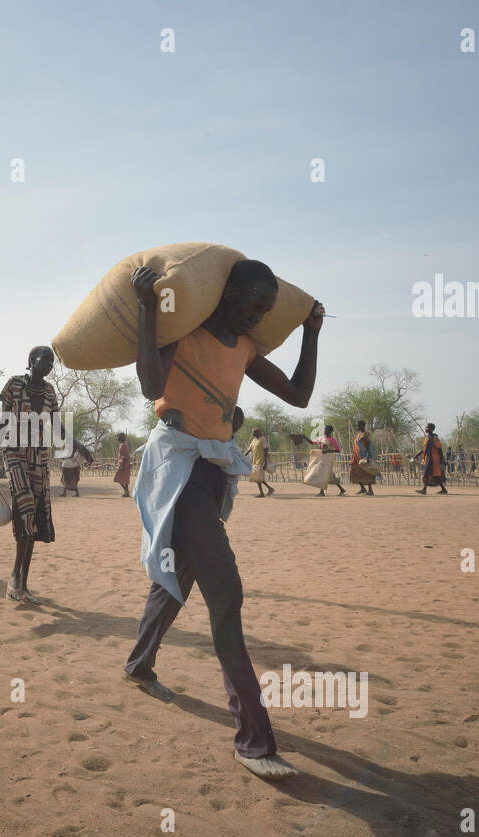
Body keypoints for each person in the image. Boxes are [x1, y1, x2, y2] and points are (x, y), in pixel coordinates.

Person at [126, 258, 324, 781]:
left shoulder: (246, 348)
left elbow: (299, 396)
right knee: (225, 589)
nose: (255, 318)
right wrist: (148, 310)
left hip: (213, 473)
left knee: (180, 574)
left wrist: (311, 332)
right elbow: (150, 385)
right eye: (250, 306)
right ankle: (254, 739)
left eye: (264, 311)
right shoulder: (182, 333)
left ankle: (138, 662)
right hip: (178, 469)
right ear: (226, 294)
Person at [0, 346, 59, 604]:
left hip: (39, 457)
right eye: (44, 359)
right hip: (14, 452)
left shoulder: (50, 391)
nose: (49, 363)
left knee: (33, 521)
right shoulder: (15, 384)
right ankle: (15, 580)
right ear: (31, 361)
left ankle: (21, 582)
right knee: (26, 511)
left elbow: (59, 426)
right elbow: (3, 422)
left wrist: (80, 446)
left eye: (52, 360)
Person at [304, 424, 345, 496]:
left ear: (330, 431)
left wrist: (328, 451)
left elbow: (338, 450)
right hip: (321, 459)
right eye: (324, 429)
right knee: (329, 476)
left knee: (322, 474)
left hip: (327, 459)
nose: (324, 431)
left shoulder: (332, 440)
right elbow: (312, 442)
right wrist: (305, 438)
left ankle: (321, 492)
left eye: (326, 430)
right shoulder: (321, 438)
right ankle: (342, 489)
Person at [412, 422, 447, 494]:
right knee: (435, 474)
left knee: (428, 473)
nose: (426, 429)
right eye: (425, 427)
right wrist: (415, 456)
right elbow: (423, 449)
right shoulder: (426, 438)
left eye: (427, 427)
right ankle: (444, 489)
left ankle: (424, 489)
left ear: (432, 429)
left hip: (434, 459)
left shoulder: (435, 438)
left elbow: (439, 449)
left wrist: (442, 460)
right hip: (428, 458)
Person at [349, 419, 377, 495]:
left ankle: (370, 490)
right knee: (356, 472)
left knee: (367, 472)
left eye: (359, 425)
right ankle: (362, 488)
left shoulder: (365, 434)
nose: (357, 427)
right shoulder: (358, 434)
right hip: (357, 457)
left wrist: (367, 457)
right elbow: (356, 446)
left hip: (364, 456)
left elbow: (368, 445)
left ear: (362, 426)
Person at [245, 427, 274, 497]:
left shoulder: (263, 439)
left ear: (258, 432)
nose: (252, 433)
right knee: (257, 477)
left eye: (253, 432)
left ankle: (263, 492)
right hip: (255, 461)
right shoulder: (254, 440)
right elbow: (249, 450)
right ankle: (269, 489)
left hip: (260, 461)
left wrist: (265, 462)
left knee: (258, 477)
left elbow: (266, 451)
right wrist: (242, 456)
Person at [113, 433, 133, 497]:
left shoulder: (123, 445)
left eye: (118, 437)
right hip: (123, 463)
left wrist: (122, 465)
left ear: (121, 438)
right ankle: (126, 493)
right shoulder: (123, 445)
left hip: (124, 464)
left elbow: (125, 456)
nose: (117, 438)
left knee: (118, 478)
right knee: (124, 479)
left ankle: (126, 491)